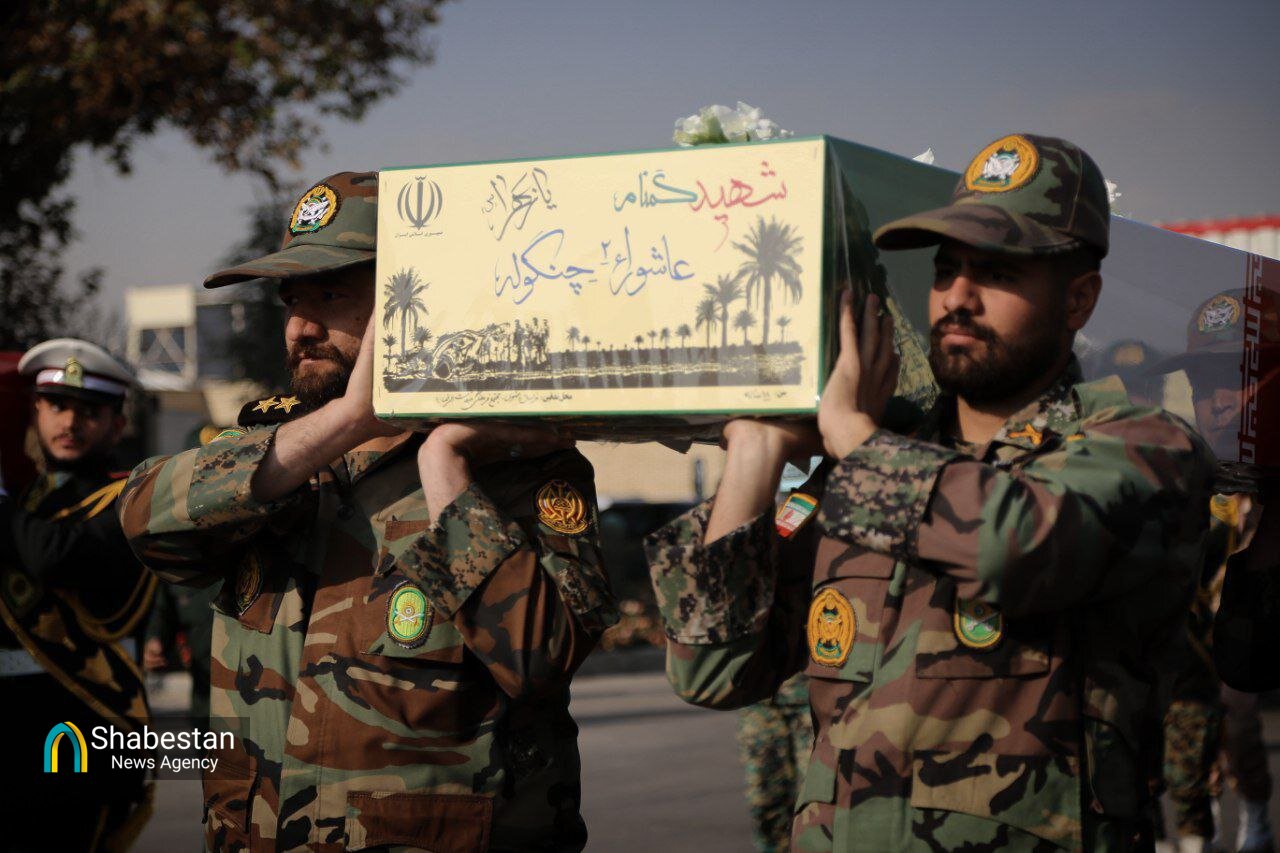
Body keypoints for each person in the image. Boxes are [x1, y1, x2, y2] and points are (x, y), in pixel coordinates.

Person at [647, 133, 1215, 851]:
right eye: (947, 270)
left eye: (997, 273)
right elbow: (712, 670)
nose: (957, 298)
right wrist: (757, 450)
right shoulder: (873, 462)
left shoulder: (1142, 447)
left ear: (1078, 299)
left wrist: (854, 437)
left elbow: (1011, 544)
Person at [119, 172, 618, 851]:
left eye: (331, 295)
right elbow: (143, 522)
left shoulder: (519, 466)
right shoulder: (269, 455)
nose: (301, 327)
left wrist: (444, 462)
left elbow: (540, 658)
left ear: (414, 301)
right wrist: (353, 418)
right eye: (291, 301)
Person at [1, 338, 155, 851]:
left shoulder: (130, 497)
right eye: (57, 405)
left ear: (117, 424)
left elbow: (57, 557)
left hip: (87, 725)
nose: (70, 422)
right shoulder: (27, 497)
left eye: (90, 411)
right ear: (35, 411)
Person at [1151, 287, 1280, 852]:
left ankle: (1254, 815)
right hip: (1195, 652)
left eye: (1238, 377)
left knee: (1242, 724)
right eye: (1202, 384)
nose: (1218, 402)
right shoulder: (1183, 481)